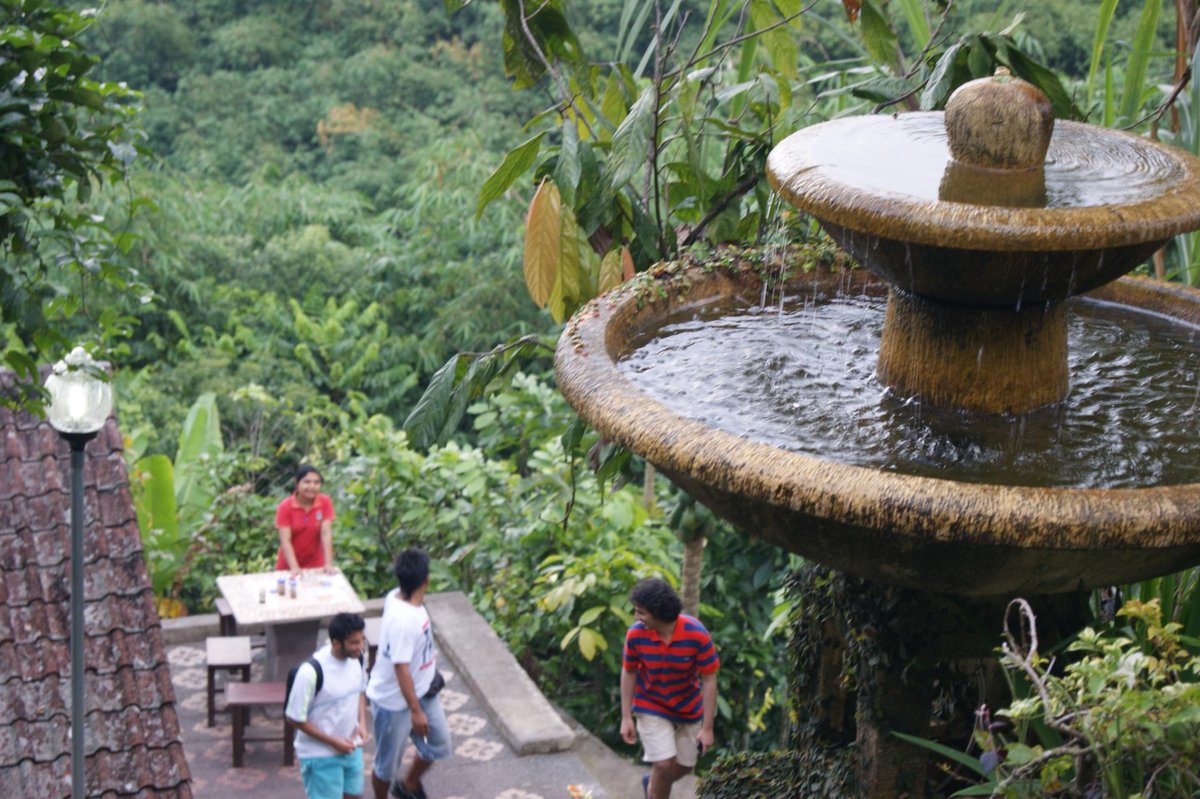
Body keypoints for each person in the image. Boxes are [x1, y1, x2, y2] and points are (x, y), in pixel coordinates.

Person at [620, 578, 719, 799]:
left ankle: (652, 785)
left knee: (683, 766)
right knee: (664, 765)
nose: (637, 617)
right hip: (650, 704)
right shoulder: (636, 634)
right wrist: (626, 717)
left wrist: (708, 727)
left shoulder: (696, 633)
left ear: (658, 612)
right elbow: (629, 671)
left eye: (641, 612)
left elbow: (709, 679)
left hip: (687, 708)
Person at [366, 548, 451, 799]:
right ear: (426, 580)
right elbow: (400, 668)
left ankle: (409, 785)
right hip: (395, 702)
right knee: (386, 765)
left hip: (423, 689)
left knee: (439, 744)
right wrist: (415, 710)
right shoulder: (405, 621)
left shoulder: (396, 596)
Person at [285, 612, 370, 799]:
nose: (360, 647)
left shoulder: (359, 658)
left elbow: (360, 690)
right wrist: (333, 742)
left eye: (362, 640)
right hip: (319, 754)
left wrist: (362, 724)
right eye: (354, 643)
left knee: (354, 796)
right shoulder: (310, 672)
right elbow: (294, 717)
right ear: (336, 643)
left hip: (350, 747)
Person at [277, 464, 336, 575]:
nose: (312, 486)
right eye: (307, 482)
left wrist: (328, 564)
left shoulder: (325, 502)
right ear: (296, 483)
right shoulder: (285, 507)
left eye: (316, 482)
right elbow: (285, 540)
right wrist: (294, 568)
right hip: (288, 566)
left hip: (316, 565)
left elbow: (326, 533)